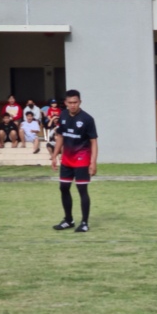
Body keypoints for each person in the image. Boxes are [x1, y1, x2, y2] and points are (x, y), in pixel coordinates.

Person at [50, 89, 97, 233]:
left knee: (82, 189)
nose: (72, 105)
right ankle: (68, 220)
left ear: (80, 102)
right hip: (66, 159)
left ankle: (84, 223)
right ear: (65, 103)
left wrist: (93, 162)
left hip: (82, 159)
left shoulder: (88, 119)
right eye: (70, 102)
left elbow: (94, 142)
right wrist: (54, 156)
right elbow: (60, 137)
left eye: (75, 102)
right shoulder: (63, 115)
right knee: (63, 188)